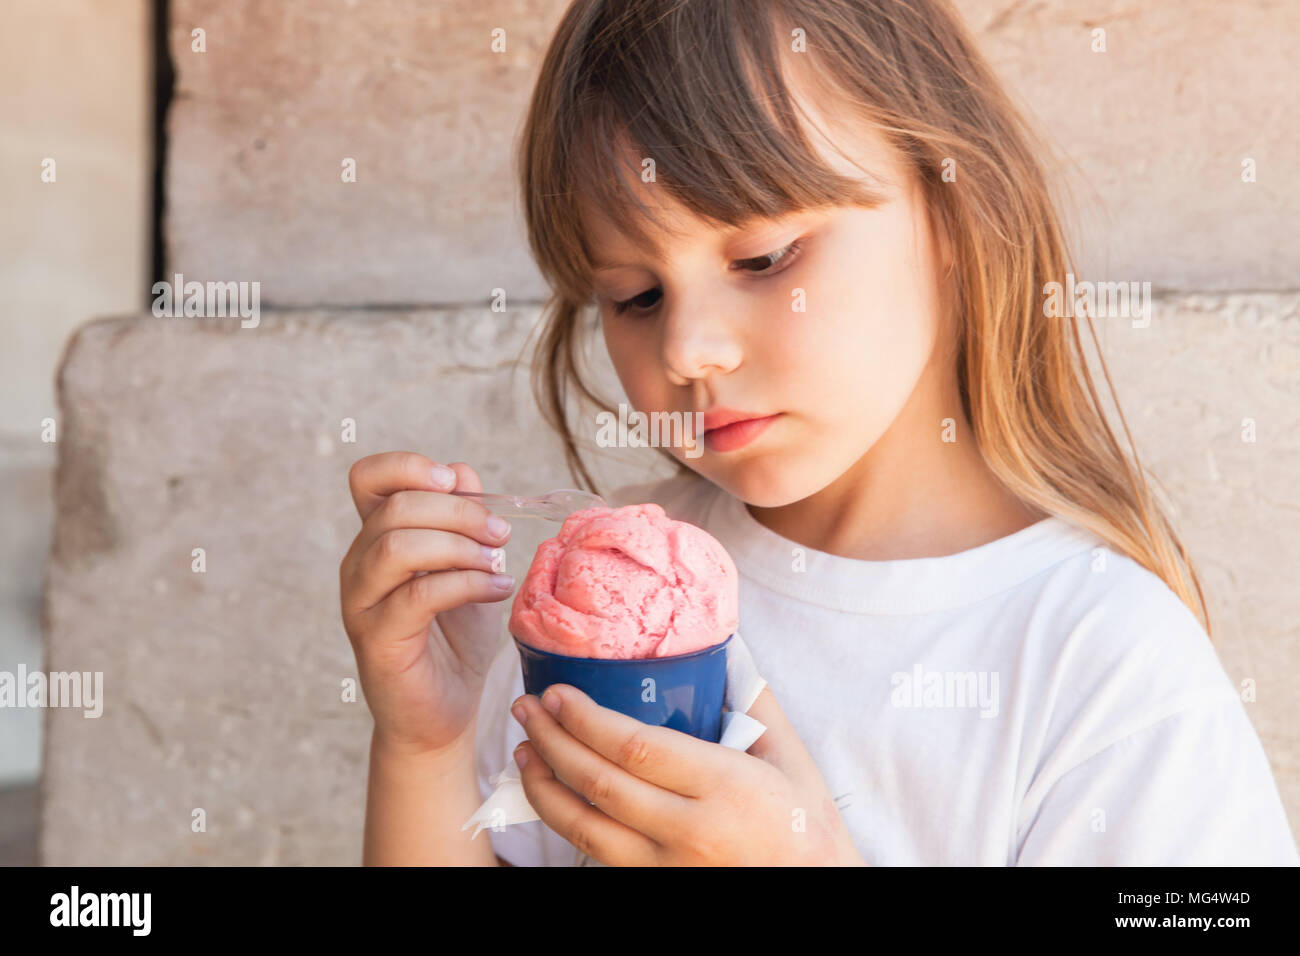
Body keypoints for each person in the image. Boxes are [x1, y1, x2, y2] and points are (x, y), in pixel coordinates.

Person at [339, 0, 1299, 865]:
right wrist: (424, 746)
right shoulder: (607, 599)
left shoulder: (1104, 666)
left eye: (762, 257)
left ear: (957, 209)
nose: (690, 347)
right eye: (635, 295)